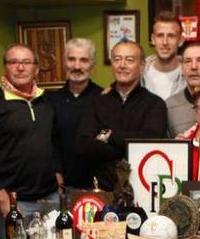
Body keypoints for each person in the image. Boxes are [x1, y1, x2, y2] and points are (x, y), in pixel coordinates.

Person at [0, 43, 63, 239]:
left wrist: (58, 174)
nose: (20, 68)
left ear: (36, 69)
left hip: (49, 200)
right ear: (5, 68)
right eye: (13, 62)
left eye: (26, 62)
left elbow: (55, 141)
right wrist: (2, 198)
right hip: (14, 203)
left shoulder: (46, 100)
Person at [76, 40, 167, 190]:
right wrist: (127, 147)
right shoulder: (96, 102)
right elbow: (83, 145)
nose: (122, 65)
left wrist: (108, 136)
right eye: (117, 59)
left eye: (129, 60)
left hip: (143, 190)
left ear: (142, 66)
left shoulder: (155, 104)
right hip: (102, 191)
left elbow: (151, 143)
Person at [47, 38, 103, 189]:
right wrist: (57, 175)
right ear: (64, 63)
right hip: (62, 186)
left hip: (99, 187)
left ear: (92, 65)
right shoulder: (50, 100)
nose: (77, 66)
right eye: (72, 59)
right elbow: (51, 143)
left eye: (84, 60)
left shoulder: (105, 98)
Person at [141, 11, 186, 99]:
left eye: (171, 36)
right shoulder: (138, 72)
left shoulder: (191, 74)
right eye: (160, 35)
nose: (165, 42)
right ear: (153, 39)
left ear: (180, 40)